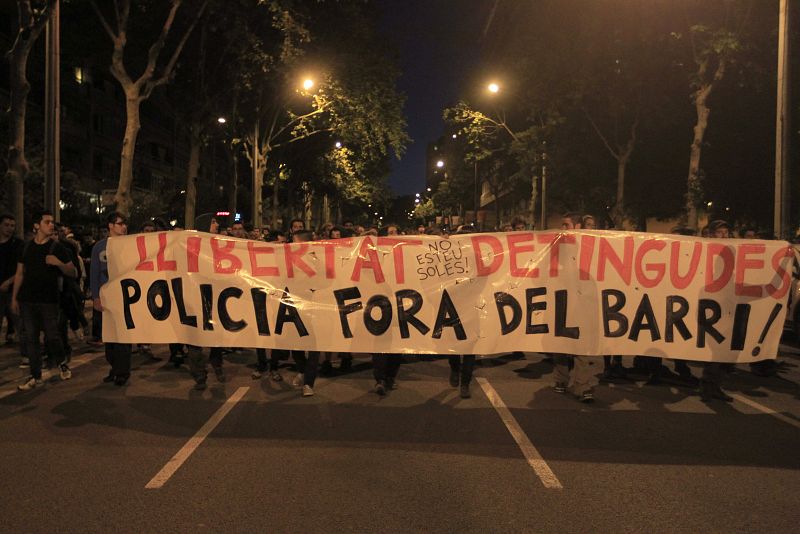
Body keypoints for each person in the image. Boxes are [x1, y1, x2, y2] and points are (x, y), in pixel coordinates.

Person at [12, 211, 77, 390]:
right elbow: (19, 274)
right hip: (27, 300)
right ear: (36, 225)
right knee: (31, 338)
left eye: (52, 223)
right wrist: (14, 298)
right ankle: (35, 375)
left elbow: (73, 272)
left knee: (52, 335)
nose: (51, 225)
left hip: (49, 300)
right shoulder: (25, 248)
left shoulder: (58, 248)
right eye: (47, 222)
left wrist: (59, 263)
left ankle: (62, 362)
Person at [91, 212, 133, 386]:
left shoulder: (131, 245)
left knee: (123, 337)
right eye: (120, 223)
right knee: (108, 337)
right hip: (106, 298)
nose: (123, 226)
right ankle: (115, 367)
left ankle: (122, 372)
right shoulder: (99, 247)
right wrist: (95, 297)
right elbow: (94, 272)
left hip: (125, 297)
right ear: (110, 226)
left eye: (125, 224)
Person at [0, 214, 22, 346]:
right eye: (6, 225)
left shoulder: (17, 244)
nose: (9, 228)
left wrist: (8, 282)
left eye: (12, 226)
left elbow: (22, 268)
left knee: (19, 322)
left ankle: (26, 354)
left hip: (13, 289)